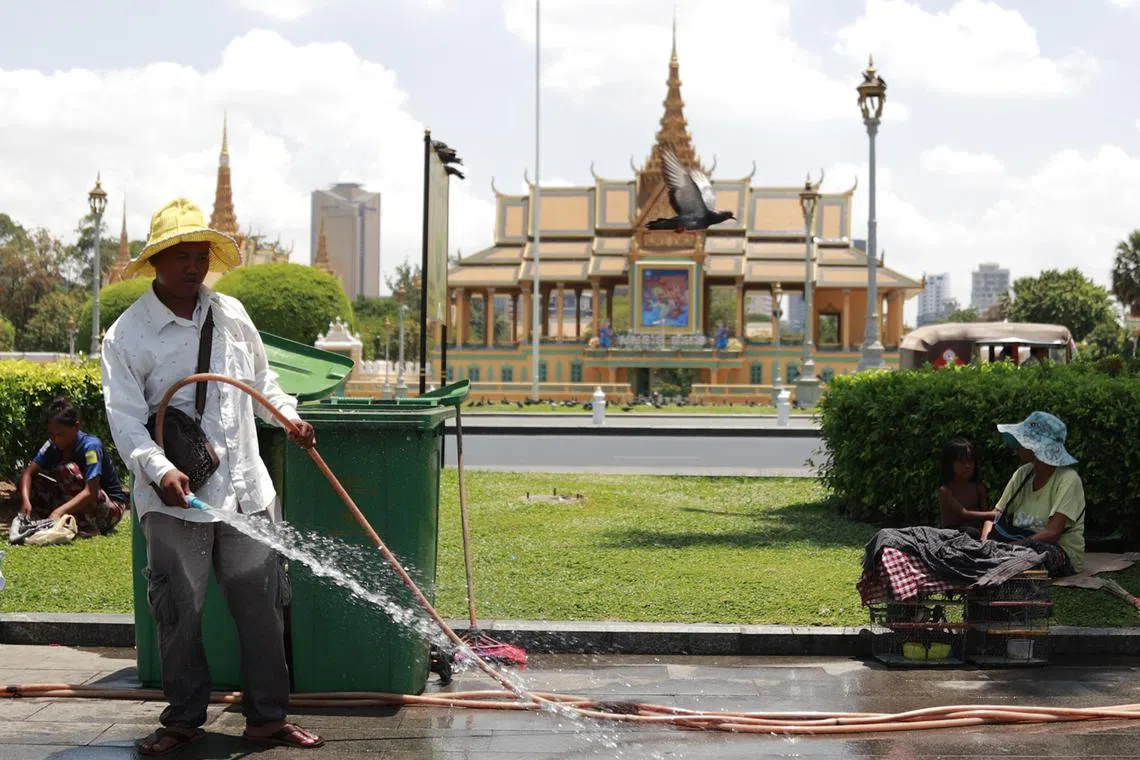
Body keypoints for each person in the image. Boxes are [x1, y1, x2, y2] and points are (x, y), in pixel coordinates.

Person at [101, 198, 323, 754]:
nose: (193, 267)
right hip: (177, 500)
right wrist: (159, 468)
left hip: (247, 490)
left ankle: (267, 717)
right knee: (178, 611)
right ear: (156, 261)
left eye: (200, 255)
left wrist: (290, 417)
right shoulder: (127, 336)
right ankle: (182, 719)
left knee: (264, 606)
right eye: (181, 257)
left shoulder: (231, 314)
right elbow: (125, 421)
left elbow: (264, 382)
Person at [980, 411, 1085, 577]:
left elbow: (1053, 532)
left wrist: (1011, 547)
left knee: (1037, 551)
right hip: (1017, 543)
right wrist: (984, 543)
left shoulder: (1068, 479)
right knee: (969, 535)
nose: (1019, 445)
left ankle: (1000, 562)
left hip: (1057, 550)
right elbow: (995, 515)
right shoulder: (1023, 473)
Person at [18, 397, 127, 538]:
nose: (56, 439)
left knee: (67, 470)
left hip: (110, 509)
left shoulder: (90, 447)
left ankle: (89, 528)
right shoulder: (51, 445)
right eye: (52, 435)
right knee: (30, 480)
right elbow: (28, 474)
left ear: (76, 427)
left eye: (60, 434)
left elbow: (91, 491)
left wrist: (58, 512)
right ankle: (43, 521)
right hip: (74, 499)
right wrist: (25, 501)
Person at [936, 437, 996, 538]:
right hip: (951, 532)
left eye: (970, 461)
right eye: (961, 462)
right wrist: (994, 514)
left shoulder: (978, 487)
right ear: (949, 464)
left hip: (975, 529)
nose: (967, 466)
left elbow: (984, 514)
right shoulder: (946, 490)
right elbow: (963, 513)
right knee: (971, 532)